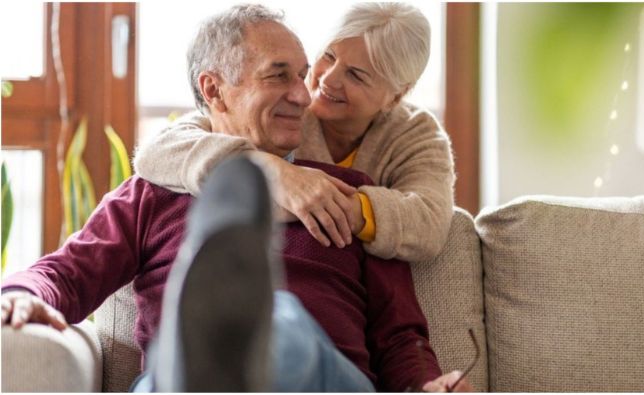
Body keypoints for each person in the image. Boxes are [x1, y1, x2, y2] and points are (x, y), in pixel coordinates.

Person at [0, 4, 472, 392]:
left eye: (301, 75)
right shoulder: (155, 189)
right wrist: (18, 296)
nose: (306, 95)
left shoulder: (349, 195)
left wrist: (425, 386)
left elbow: (399, 335)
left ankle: (224, 336)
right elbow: (65, 272)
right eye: (279, 76)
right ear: (213, 90)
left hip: (322, 376)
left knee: (278, 321)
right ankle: (205, 351)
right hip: (171, 381)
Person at [133, 3, 455, 263]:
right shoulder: (286, 106)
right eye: (328, 57)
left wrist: (333, 205)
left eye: (356, 75)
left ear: (396, 97)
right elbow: (161, 151)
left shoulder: (415, 134)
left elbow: (429, 222)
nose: (327, 80)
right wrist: (271, 171)